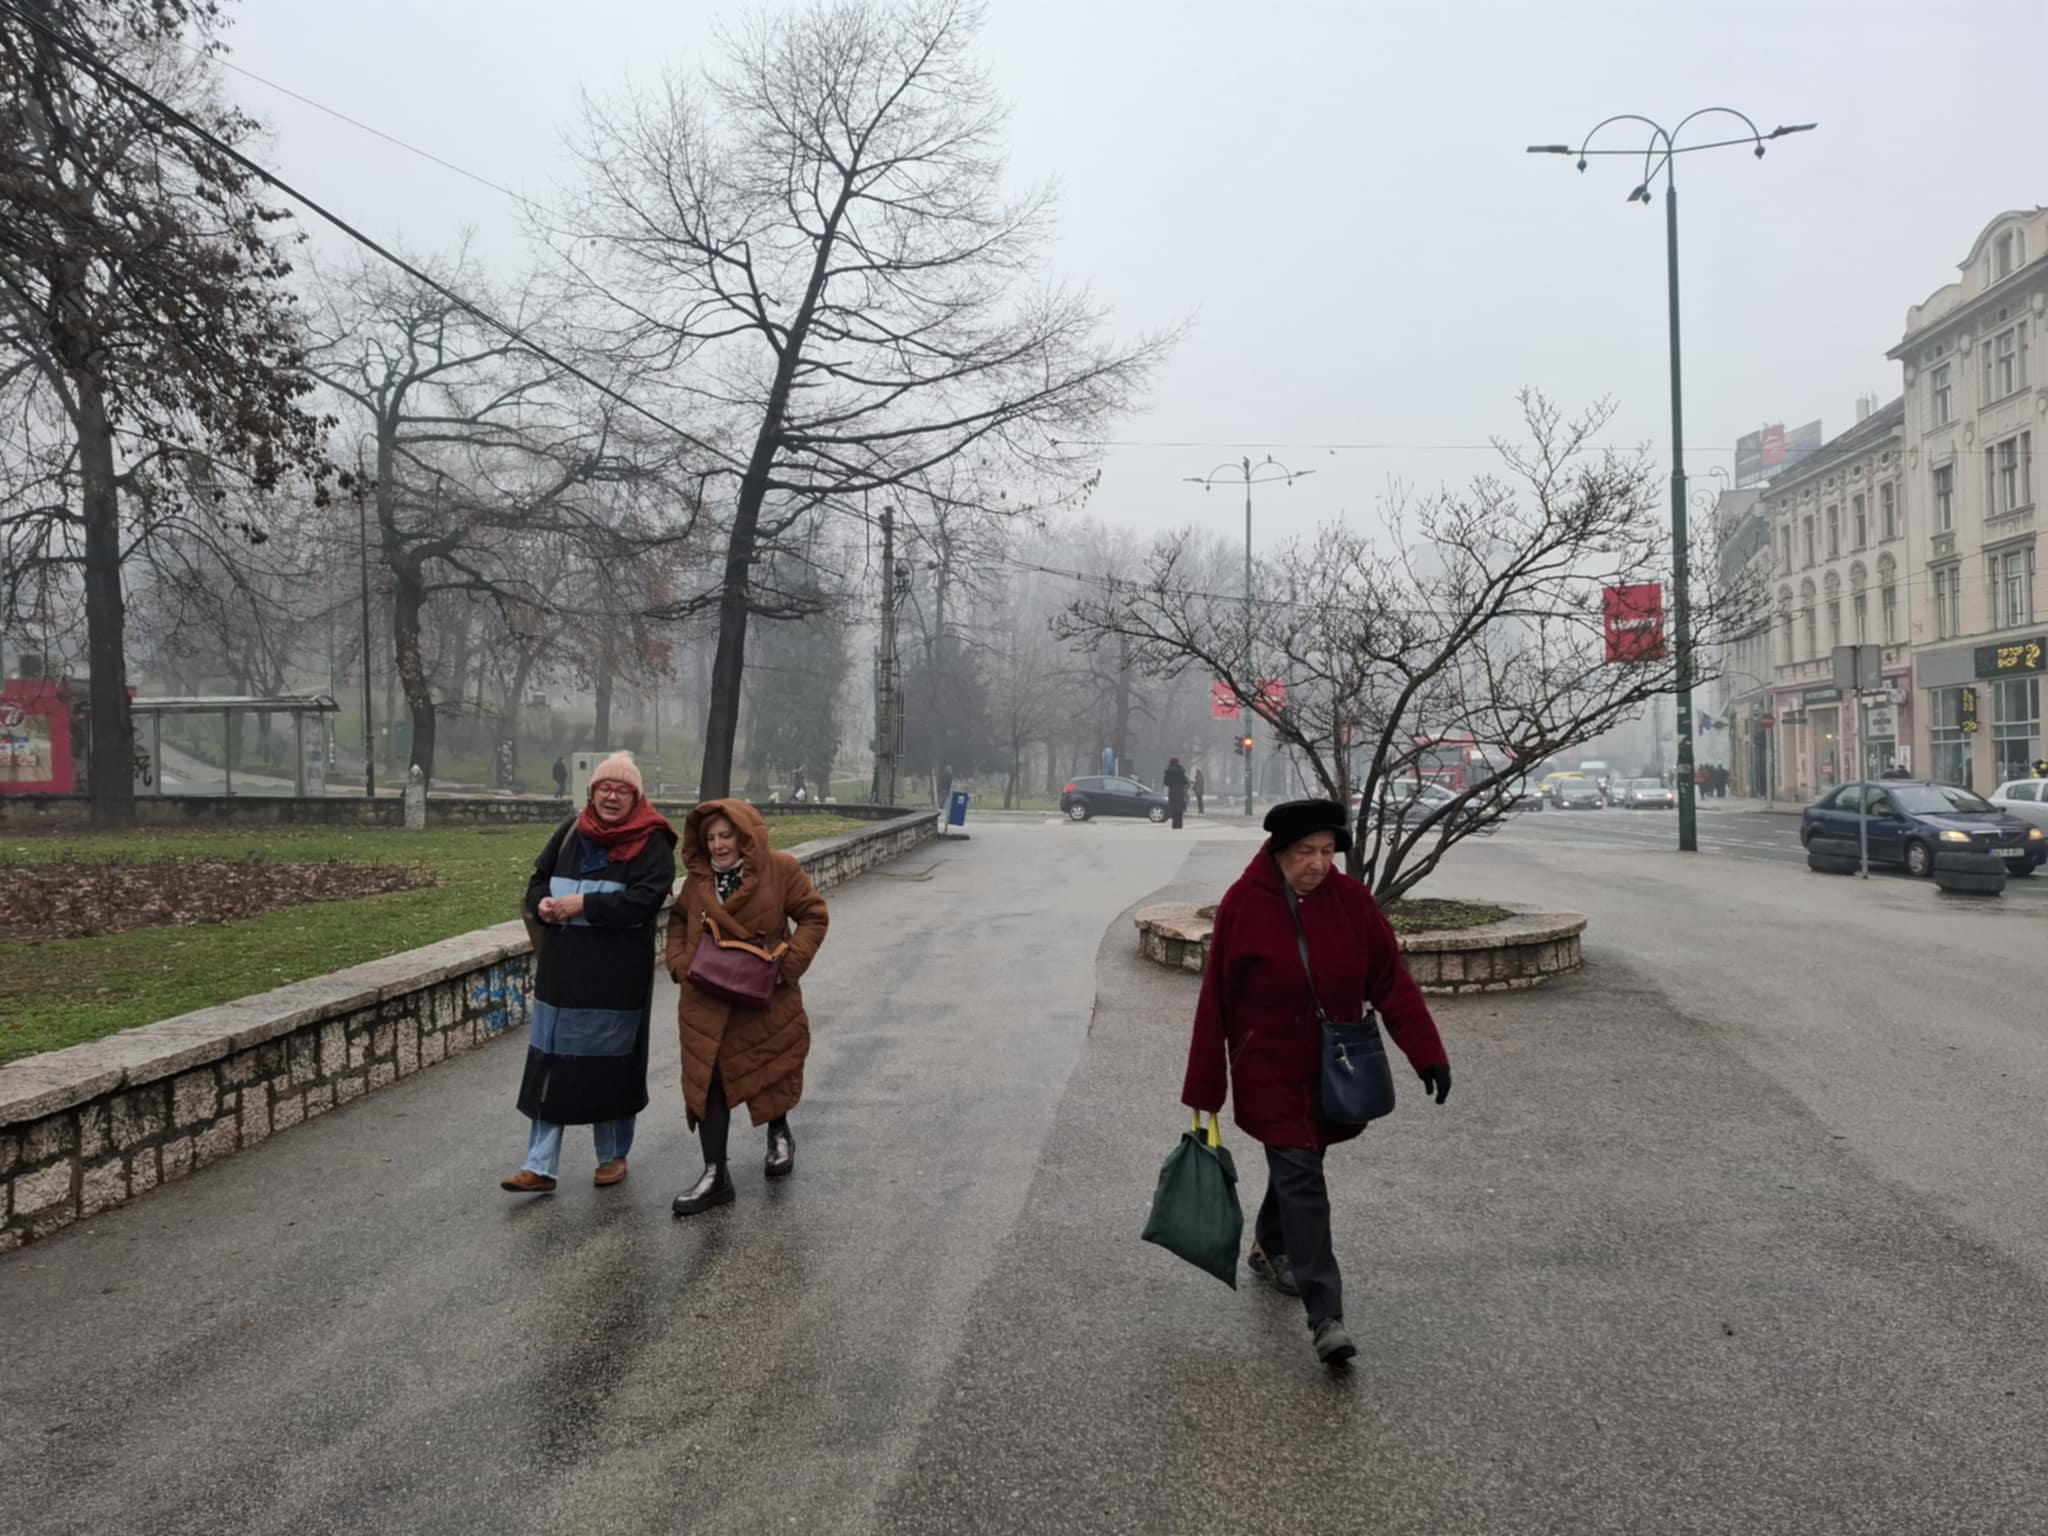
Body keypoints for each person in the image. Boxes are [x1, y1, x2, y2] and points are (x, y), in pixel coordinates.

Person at [1183, 798, 1451, 1368]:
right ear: (1278, 851)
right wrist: (1205, 1089)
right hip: (1269, 1071)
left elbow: (1390, 983)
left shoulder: (1352, 903)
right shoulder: (1243, 905)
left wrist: (1427, 1054)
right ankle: (1326, 1315)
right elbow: (1216, 1003)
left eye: (1328, 851)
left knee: (1302, 1163)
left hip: (1335, 1066)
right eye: (1306, 851)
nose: (1319, 863)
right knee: (1303, 1176)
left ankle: (1270, 1246)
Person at [504, 753, 677, 1195]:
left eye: (622, 790)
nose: (612, 796)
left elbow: (645, 900)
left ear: (636, 797)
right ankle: (539, 1165)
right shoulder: (570, 832)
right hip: (561, 975)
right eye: (605, 788)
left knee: (611, 1066)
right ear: (591, 792)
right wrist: (543, 903)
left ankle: (612, 1155)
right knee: (550, 1064)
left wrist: (584, 906)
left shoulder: (652, 841)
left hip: (615, 979)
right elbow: (538, 879)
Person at [666, 799, 830, 1216]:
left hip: (764, 992)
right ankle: (715, 1173)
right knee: (709, 1080)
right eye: (711, 838)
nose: (719, 846)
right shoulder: (697, 882)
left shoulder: (781, 870)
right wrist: (680, 964)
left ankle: (778, 1132)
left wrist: (787, 965)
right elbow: (677, 921)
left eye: (727, 836)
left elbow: (813, 915)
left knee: (771, 1065)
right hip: (707, 1000)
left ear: (745, 836)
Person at [1162, 755, 1189, 830]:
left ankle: (1174, 825)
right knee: (1179, 808)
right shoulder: (1181, 771)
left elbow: (1165, 782)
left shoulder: (1168, 771)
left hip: (1172, 791)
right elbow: (1185, 782)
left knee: (1173, 808)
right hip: (1180, 791)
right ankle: (1179, 824)